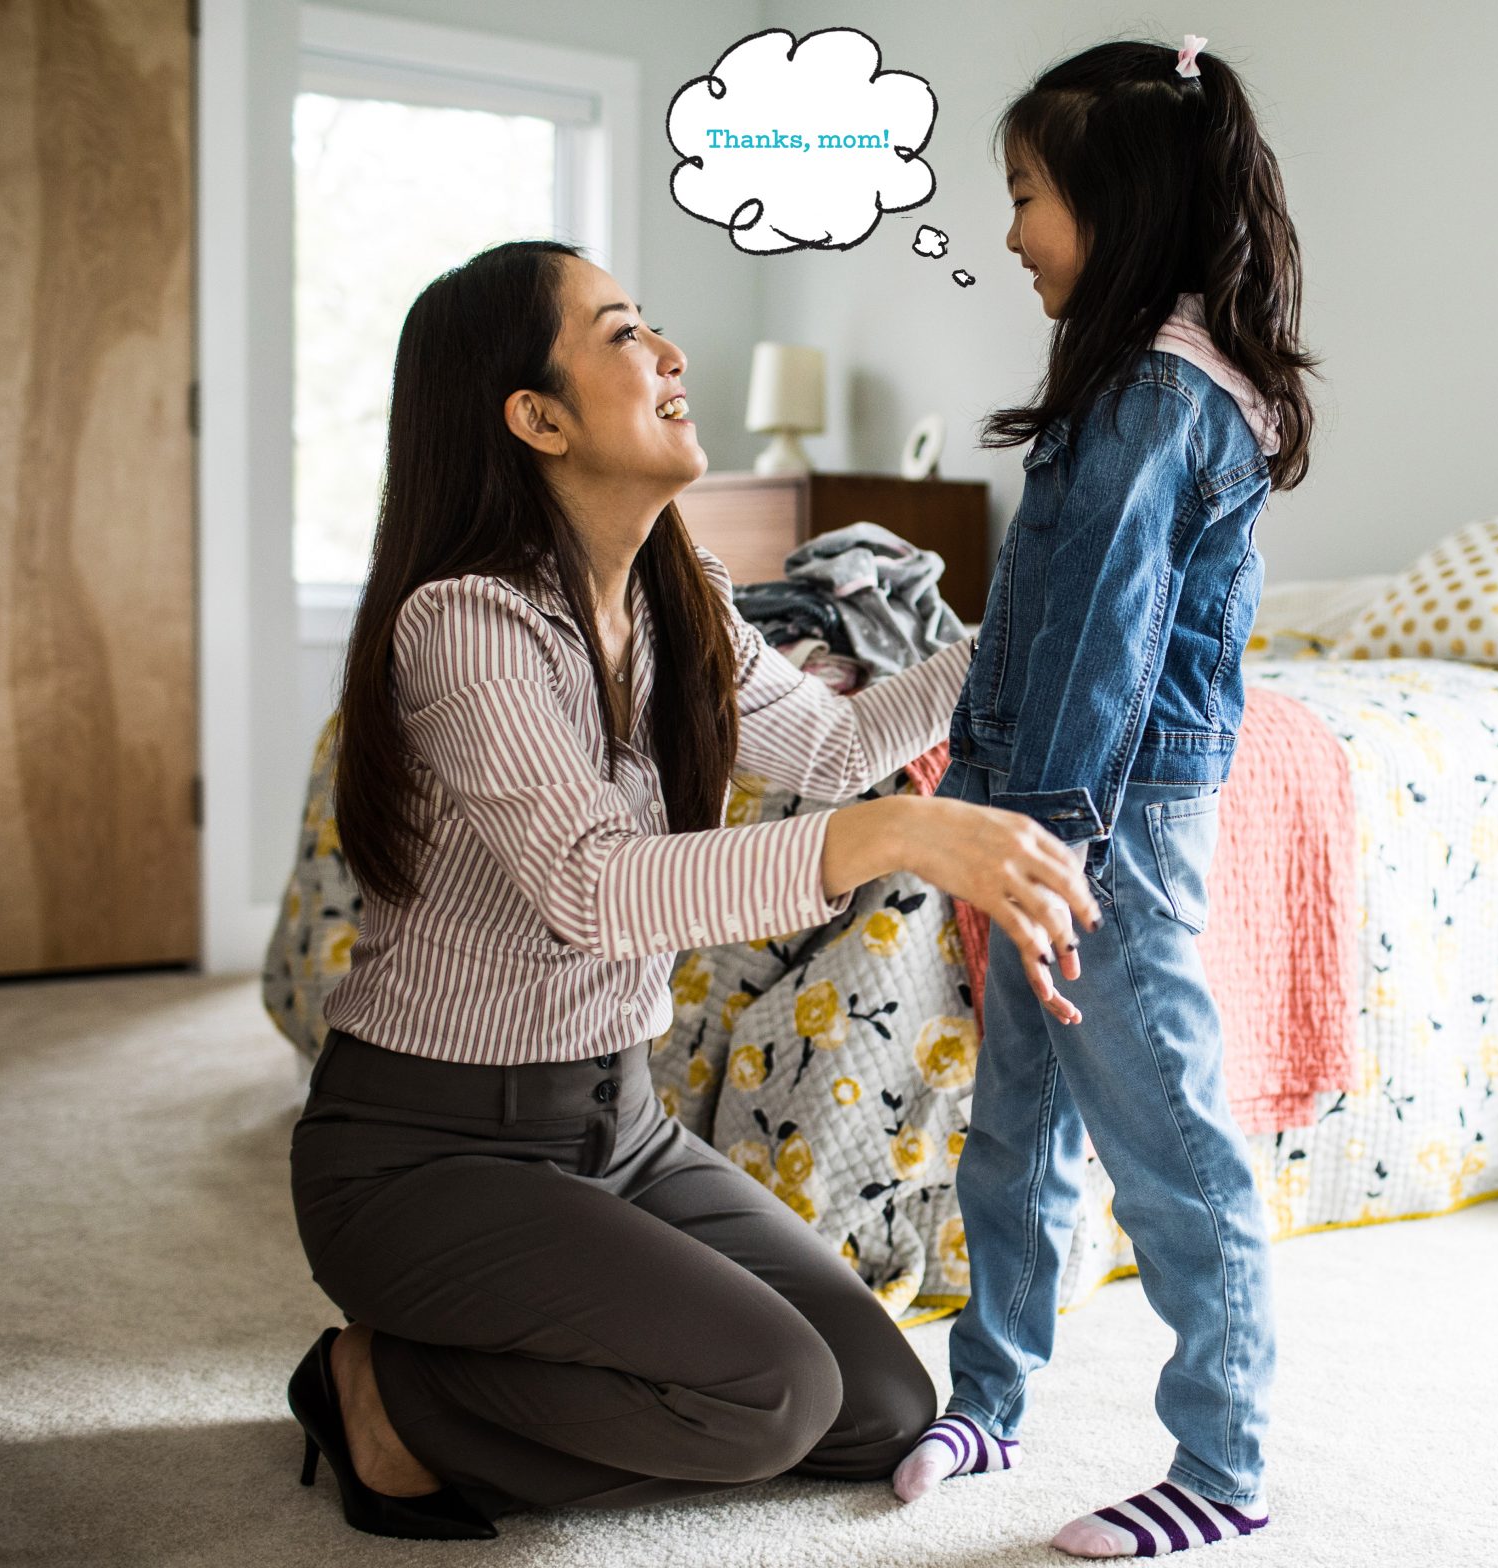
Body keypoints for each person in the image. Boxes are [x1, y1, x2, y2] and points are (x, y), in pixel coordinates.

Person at [283, 238, 1103, 1540]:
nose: (669, 353)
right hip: (425, 1150)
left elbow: (833, 748)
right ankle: (382, 1390)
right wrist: (900, 835)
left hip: (619, 1123)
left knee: (881, 1407)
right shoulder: (465, 624)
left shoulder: (682, 600)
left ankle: (493, 1363)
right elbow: (595, 887)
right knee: (769, 1397)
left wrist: (1025, 636)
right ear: (535, 417)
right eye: (621, 334)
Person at [888, 36, 1319, 1560]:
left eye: (1026, 198)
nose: (1008, 233)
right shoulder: (1124, 386)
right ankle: (991, 1399)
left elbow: (1105, 640)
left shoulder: (1163, 400)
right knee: (1014, 1132)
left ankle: (1226, 1461)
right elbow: (1035, 623)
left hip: (1103, 831)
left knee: (1172, 1153)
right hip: (1038, 810)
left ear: (1117, 205)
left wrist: (1046, 838)